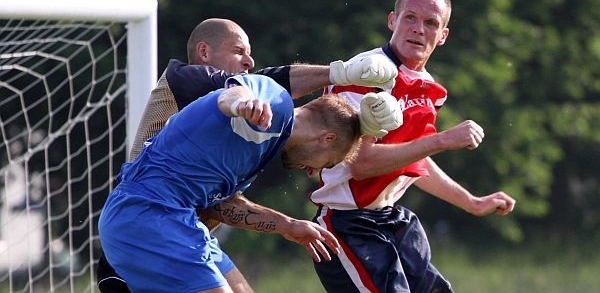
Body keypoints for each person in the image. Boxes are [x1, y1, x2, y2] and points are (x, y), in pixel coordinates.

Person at [96, 18, 400, 293]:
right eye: (328, 164)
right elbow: (240, 92)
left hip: (181, 224)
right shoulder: (193, 79)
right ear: (326, 139)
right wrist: (339, 72)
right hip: (148, 218)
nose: (314, 173)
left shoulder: (265, 139)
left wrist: (288, 226)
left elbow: (222, 205)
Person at [310, 0, 517, 292]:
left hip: (390, 219)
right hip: (348, 226)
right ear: (392, 20)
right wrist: (442, 140)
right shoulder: (367, 73)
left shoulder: (427, 87)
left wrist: (471, 203)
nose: (419, 29)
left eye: (431, 22)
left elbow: (412, 159)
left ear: (443, 35)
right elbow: (362, 164)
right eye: (410, 17)